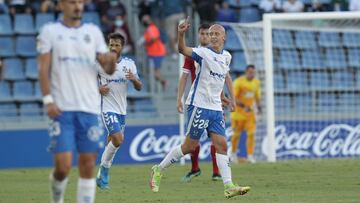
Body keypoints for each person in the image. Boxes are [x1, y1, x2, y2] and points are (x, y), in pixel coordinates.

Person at [150, 17, 251, 199]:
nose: (212, 36)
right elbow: (182, 49)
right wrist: (181, 34)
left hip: (216, 108)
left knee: (221, 145)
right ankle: (159, 168)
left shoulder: (226, 56)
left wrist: (227, 98)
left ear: (224, 37)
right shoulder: (203, 53)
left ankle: (228, 185)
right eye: (210, 34)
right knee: (190, 146)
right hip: (199, 105)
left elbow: (221, 78)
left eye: (216, 34)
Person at [37, 0, 117, 203]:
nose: (77, 6)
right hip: (62, 109)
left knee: (88, 163)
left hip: (89, 109)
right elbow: (43, 69)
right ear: (62, 5)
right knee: (63, 167)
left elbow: (106, 68)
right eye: (72, 2)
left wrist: (110, 60)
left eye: (80, 2)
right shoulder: (50, 31)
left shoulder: (93, 32)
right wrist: (48, 100)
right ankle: (57, 198)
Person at [96, 32, 142, 189]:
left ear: (122, 47)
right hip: (108, 108)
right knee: (118, 139)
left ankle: (100, 177)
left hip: (122, 110)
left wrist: (134, 80)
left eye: (117, 45)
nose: (114, 47)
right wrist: (98, 89)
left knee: (113, 143)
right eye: (111, 44)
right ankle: (105, 172)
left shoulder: (129, 64)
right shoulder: (100, 63)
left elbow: (139, 86)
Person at [177, 23, 222, 182]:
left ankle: (217, 172)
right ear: (198, 35)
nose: (204, 36)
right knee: (192, 140)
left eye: (206, 33)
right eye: (202, 33)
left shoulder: (219, 54)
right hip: (198, 102)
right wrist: (179, 98)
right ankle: (194, 168)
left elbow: (221, 77)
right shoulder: (194, 54)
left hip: (214, 101)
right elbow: (184, 77)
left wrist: (223, 96)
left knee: (216, 138)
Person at [230, 65, 261, 164]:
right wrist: (244, 106)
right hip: (238, 114)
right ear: (246, 72)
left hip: (249, 114)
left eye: (253, 72)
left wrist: (259, 107)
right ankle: (233, 154)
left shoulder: (256, 82)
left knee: (251, 134)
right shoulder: (238, 82)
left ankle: (250, 156)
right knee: (236, 135)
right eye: (250, 72)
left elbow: (257, 96)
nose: (252, 74)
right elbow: (233, 98)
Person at [137, 14, 167, 90]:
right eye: (144, 20)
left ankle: (164, 82)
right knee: (153, 72)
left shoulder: (151, 28)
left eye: (146, 20)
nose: (145, 21)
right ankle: (162, 83)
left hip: (157, 52)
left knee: (156, 73)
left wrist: (145, 43)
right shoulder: (148, 30)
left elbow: (154, 38)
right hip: (152, 53)